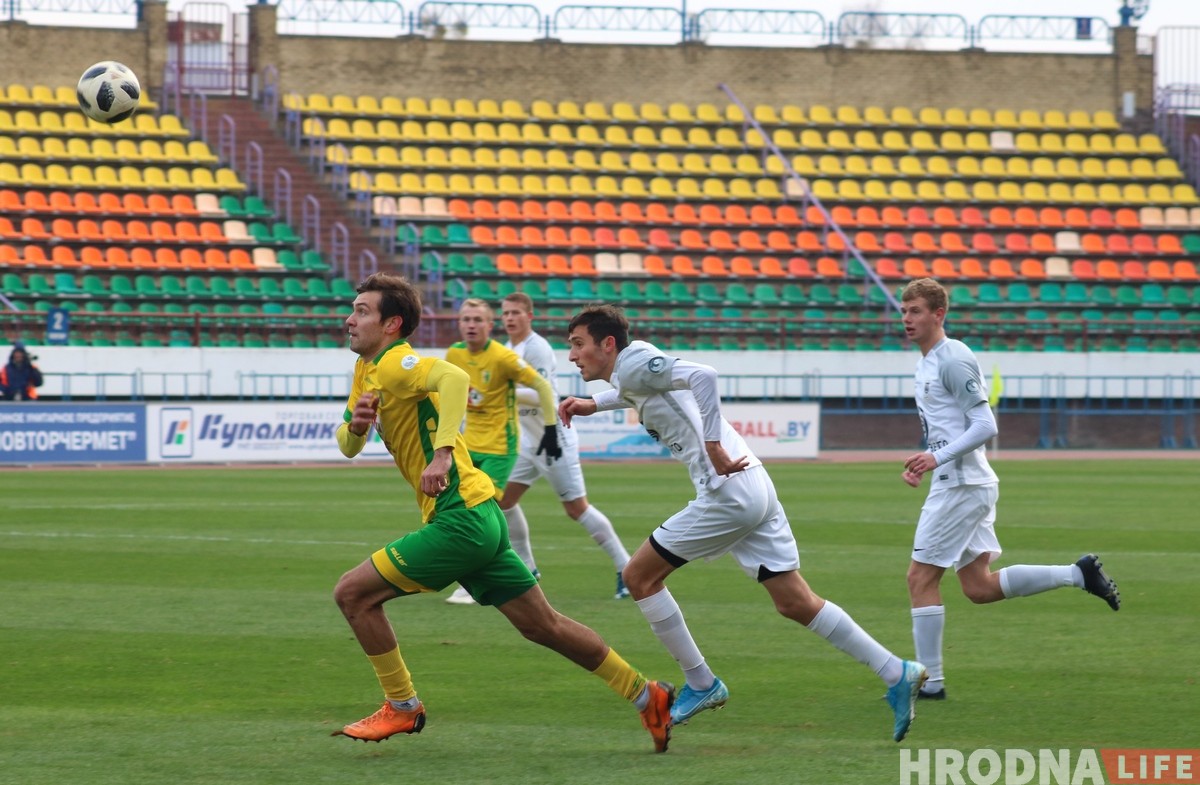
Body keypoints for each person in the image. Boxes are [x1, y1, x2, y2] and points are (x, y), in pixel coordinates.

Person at [330, 273, 675, 752]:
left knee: (352, 594)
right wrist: (359, 425)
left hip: (459, 519)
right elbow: (348, 444)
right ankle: (646, 695)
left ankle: (403, 707)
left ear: (392, 324)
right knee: (543, 625)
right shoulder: (366, 371)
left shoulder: (395, 363)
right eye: (353, 309)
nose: (350, 318)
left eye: (362, 311)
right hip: (481, 514)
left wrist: (443, 452)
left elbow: (452, 378)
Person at [558, 304, 928, 743]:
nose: (572, 356)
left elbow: (704, 376)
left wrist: (712, 444)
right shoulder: (632, 369)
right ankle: (896, 671)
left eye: (578, 345)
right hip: (751, 484)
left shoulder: (635, 361)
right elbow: (638, 390)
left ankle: (701, 682)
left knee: (639, 576)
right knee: (795, 601)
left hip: (727, 492)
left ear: (607, 344)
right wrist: (590, 405)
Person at [898, 278, 1120, 701]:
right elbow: (949, 430)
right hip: (962, 481)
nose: (907, 318)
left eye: (916, 311)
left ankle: (933, 683)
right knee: (978, 587)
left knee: (919, 578)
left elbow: (986, 425)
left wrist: (937, 459)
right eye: (904, 310)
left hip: (962, 486)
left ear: (938, 314)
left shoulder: (953, 357)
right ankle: (1079, 574)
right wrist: (927, 460)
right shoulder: (926, 362)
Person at [498, 292, 632, 600]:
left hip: (552, 436)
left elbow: (543, 393)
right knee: (502, 501)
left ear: (528, 317)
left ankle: (625, 568)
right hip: (527, 440)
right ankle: (527, 567)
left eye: (515, 313)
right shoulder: (506, 349)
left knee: (576, 509)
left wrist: (499, 392)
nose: (509, 318)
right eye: (505, 313)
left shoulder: (537, 348)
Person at [442, 297, 563, 605]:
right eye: (466, 319)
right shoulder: (454, 355)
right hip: (468, 446)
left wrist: (550, 430)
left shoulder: (503, 358)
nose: (471, 325)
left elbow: (543, 387)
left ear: (489, 325)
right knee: (472, 510)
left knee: (479, 512)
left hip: (500, 447)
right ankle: (525, 569)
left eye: (477, 320)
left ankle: (477, 581)